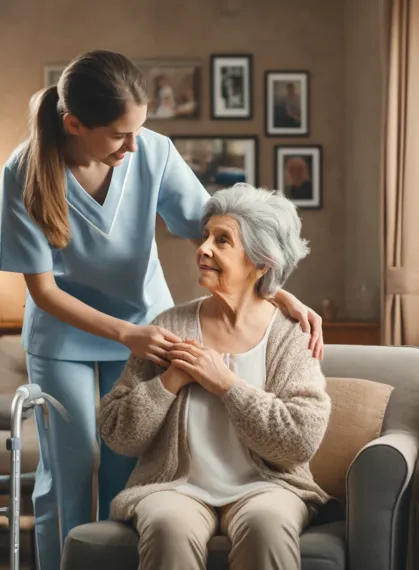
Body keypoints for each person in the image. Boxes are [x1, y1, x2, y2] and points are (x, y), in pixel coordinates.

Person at [0, 50, 323, 570]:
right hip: (64, 335)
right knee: (72, 464)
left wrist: (277, 291)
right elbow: (42, 292)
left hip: (146, 326)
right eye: (118, 135)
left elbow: (220, 239)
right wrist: (128, 334)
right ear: (74, 124)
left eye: (139, 130)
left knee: (125, 465)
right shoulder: (24, 171)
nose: (133, 145)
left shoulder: (152, 151)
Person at [100, 184, 331, 570]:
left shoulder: (292, 334)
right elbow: (117, 433)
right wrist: (169, 380)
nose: (203, 248)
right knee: (167, 524)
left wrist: (226, 383)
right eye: (206, 235)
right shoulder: (170, 325)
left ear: (261, 262)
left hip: (270, 487)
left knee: (266, 524)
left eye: (223, 240)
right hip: (176, 486)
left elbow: (298, 441)